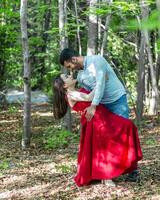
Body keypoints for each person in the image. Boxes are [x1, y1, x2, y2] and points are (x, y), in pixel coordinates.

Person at [59, 48, 139, 181]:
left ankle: (132, 170)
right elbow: (88, 94)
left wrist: (93, 105)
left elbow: (100, 85)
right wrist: (93, 105)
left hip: (116, 100)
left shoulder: (97, 61)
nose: (70, 69)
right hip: (102, 107)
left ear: (73, 59)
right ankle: (110, 170)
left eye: (69, 66)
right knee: (109, 138)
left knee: (123, 133)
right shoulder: (79, 76)